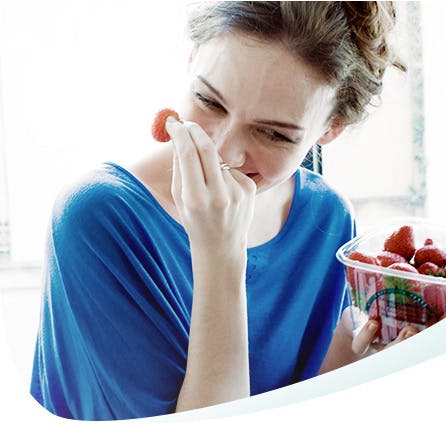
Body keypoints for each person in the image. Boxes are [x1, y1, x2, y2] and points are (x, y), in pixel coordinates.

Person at [30, 1, 416, 420]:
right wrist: (220, 255)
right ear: (192, 60)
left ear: (330, 129)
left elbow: (305, 398)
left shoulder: (327, 220)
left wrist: (373, 363)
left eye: (273, 133)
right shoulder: (99, 218)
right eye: (209, 102)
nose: (223, 151)